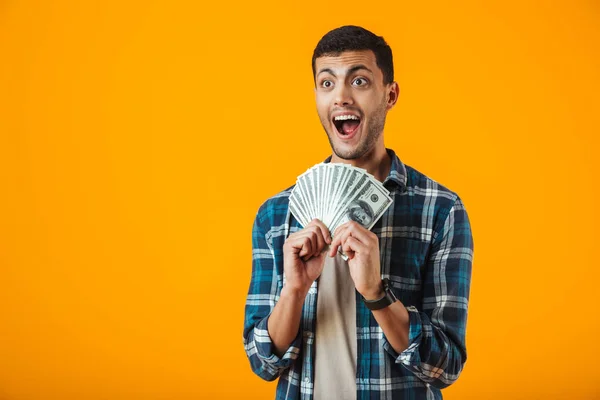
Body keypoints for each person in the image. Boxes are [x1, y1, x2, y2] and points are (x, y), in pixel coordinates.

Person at [243, 25, 474, 400]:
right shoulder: (276, 215)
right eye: (327, 83)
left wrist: (376, 293)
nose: (342, 98)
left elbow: (443, 367)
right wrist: (294, 291)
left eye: (360, 81)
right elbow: (263, 362)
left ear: (390, 94)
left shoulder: (441, 210)